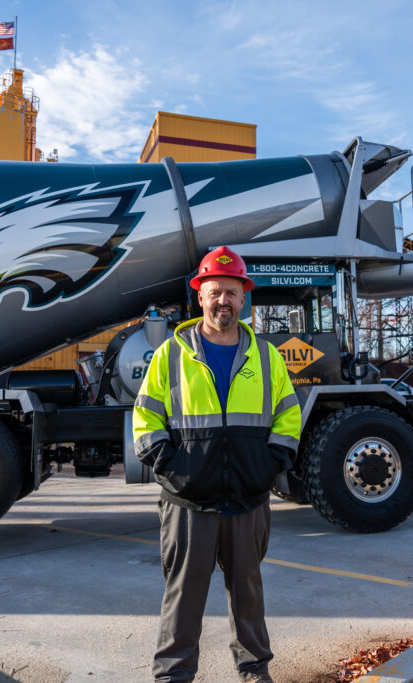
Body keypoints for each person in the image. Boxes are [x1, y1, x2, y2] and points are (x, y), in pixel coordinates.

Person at [132, 245, 301, 683]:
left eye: (231, 291)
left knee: (247, 592)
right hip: (187, 502)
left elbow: (288, 416)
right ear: (200, 297)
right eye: (214, 292)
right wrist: (174, 469)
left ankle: (254, 670)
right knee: (183, 596)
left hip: (248, 497)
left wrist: (270, 465)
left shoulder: (267, 356)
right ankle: (173, 675)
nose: (222, 300)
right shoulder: (171, 354)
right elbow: (145, 418)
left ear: (243, 298)